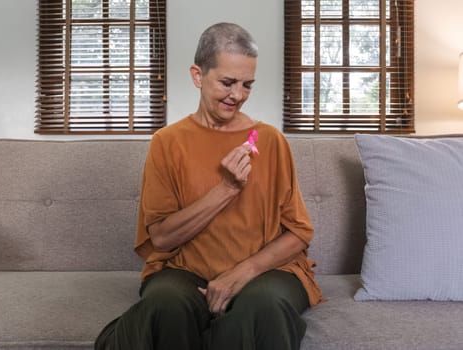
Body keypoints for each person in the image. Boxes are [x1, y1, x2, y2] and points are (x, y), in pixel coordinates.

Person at [95, 22, 322, 350]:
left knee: (264, 307)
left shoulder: (270, 140)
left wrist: (241, 273)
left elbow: (299, 233)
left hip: (268, 272)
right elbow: (161, 237)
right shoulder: (167, 142)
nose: (238, 96)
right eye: (228, 82)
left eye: (247, 85)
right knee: (165, 306)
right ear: (198, 76)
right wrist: (227, 189)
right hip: (184, 271)